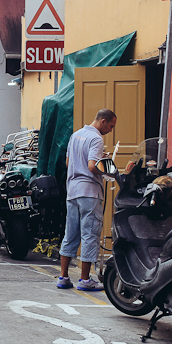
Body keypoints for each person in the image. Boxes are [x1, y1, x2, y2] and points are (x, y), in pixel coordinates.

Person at [56, 108, 117, 291]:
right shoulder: (96, 138)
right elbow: (92, 166)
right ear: (103, 121)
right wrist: (106, 168)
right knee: (90, 235)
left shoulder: (75, 135)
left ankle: (63, 277)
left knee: (70, 234)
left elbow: (69, 163)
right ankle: (84, 280)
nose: (111, 130)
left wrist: (99, 159)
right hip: (89, 192)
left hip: (72, 191)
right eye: (111, 126)